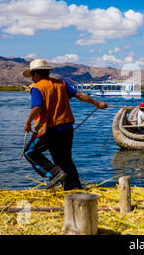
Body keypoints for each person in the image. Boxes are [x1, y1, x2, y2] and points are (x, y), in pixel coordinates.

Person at [22, 59, 107, 190]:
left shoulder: (37, 87)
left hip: (49, 129)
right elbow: (79, 94)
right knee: (64, 160)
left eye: (32, 75)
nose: (32, 79)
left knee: (29, 152)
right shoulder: (61, 83)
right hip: (67, 129)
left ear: (37, 74)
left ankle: (54, 173)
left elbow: (37, 107)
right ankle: (74, 189)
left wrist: (27, 123)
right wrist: (97, 103)